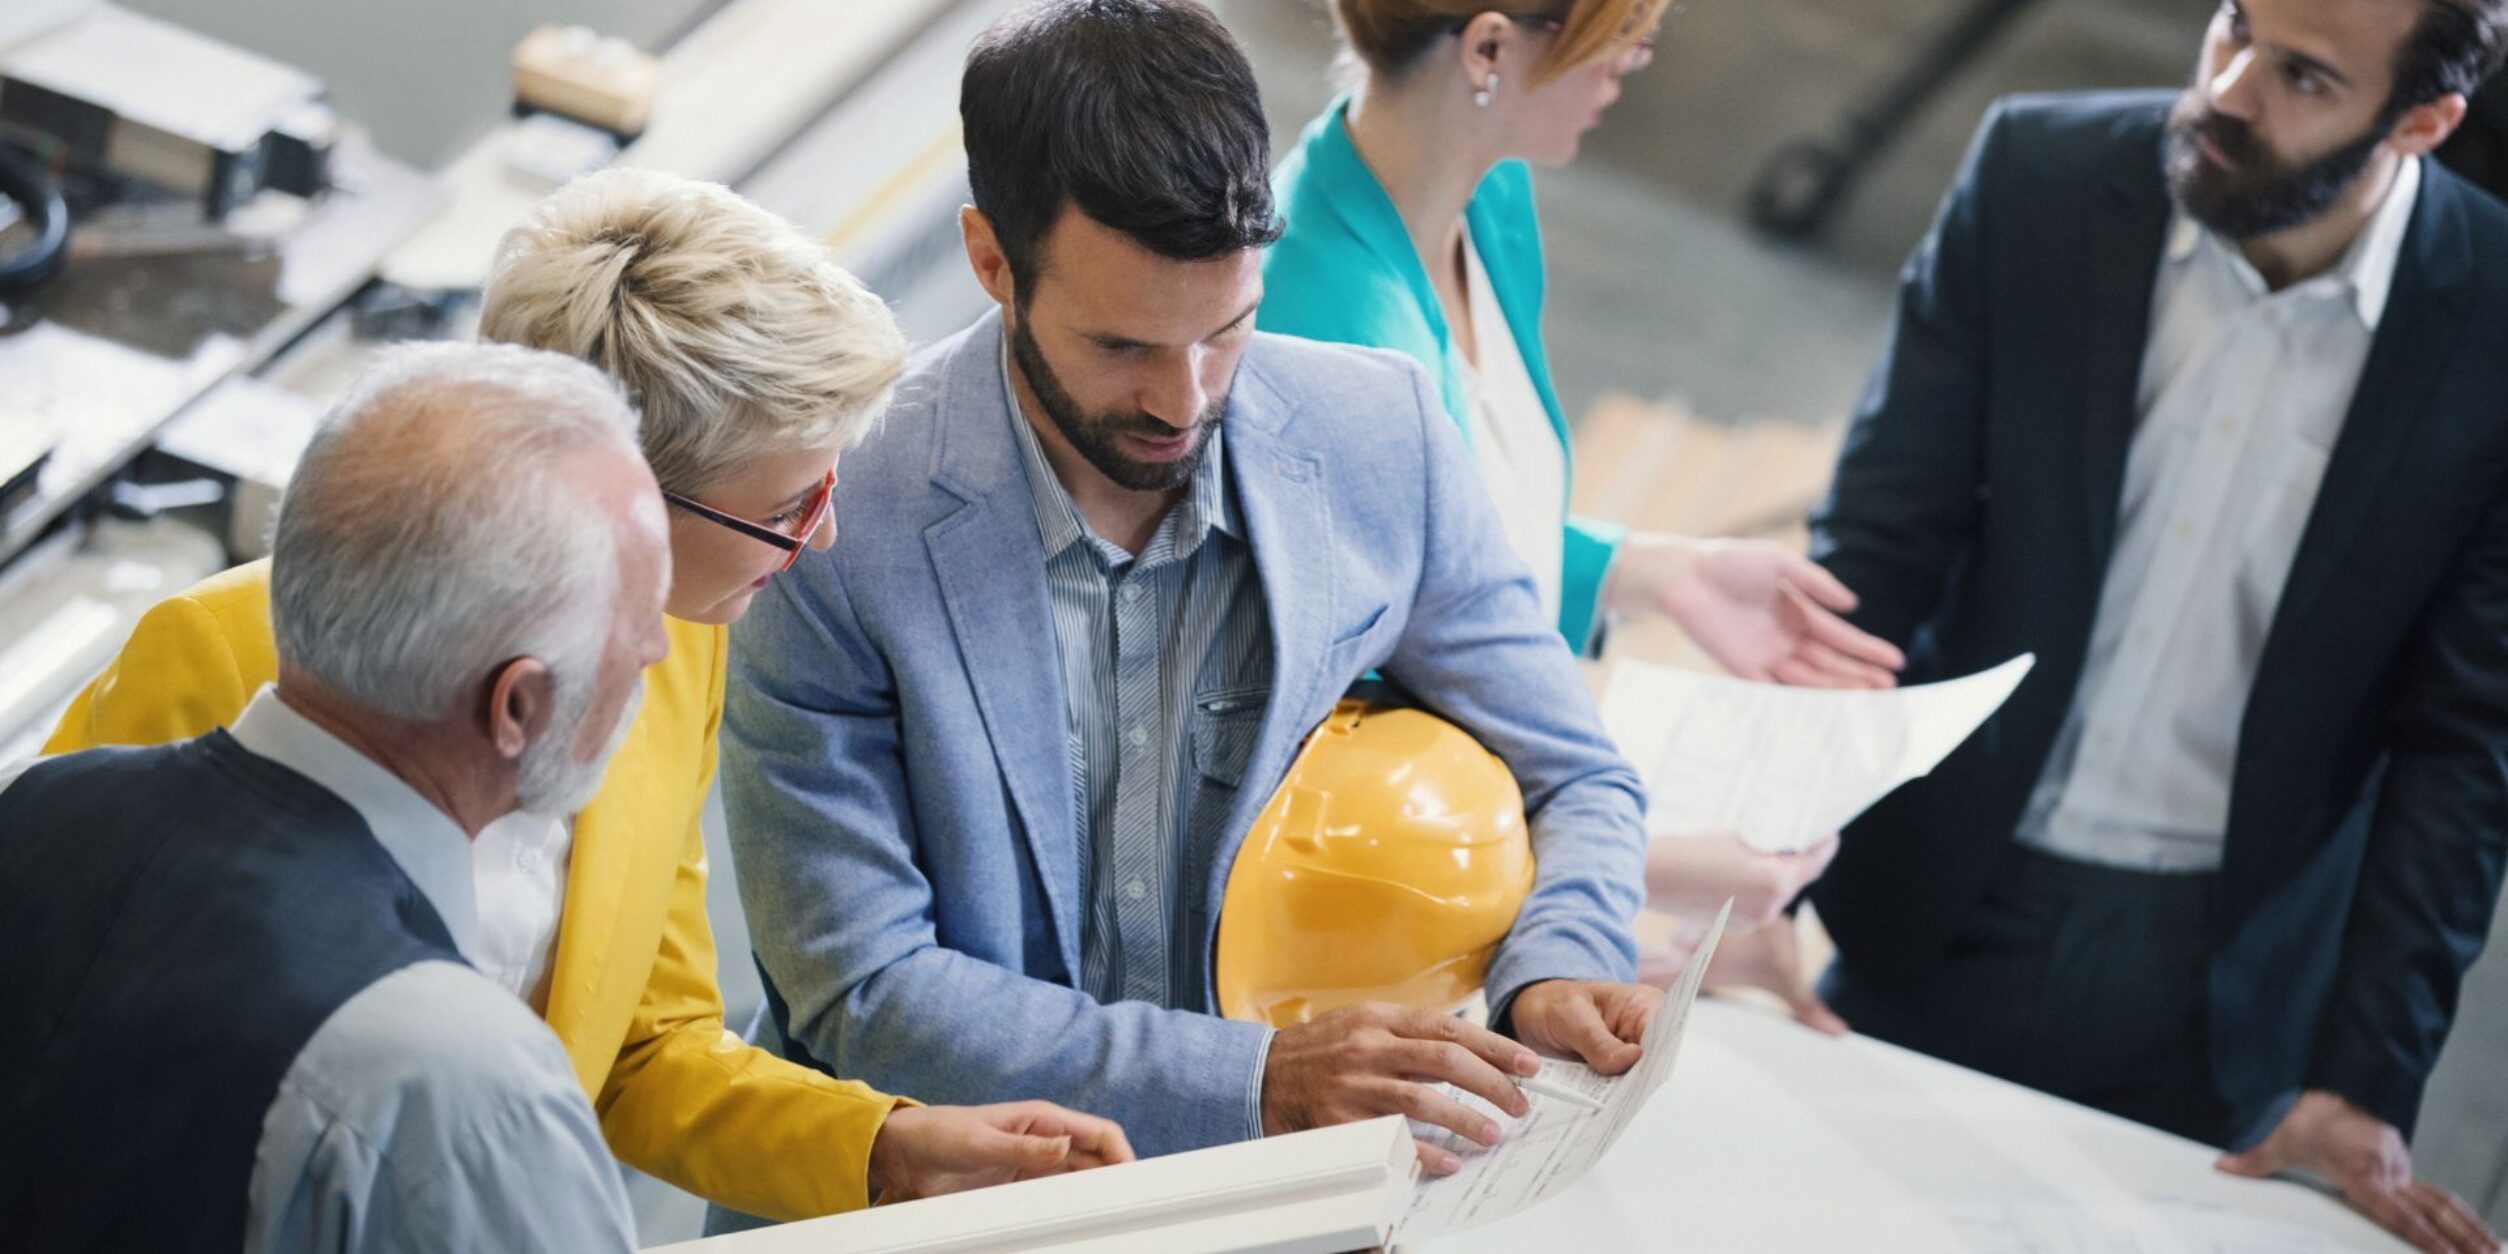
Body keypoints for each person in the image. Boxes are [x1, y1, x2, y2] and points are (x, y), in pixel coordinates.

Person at [42, 170, 1129, 1223]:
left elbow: (642, 1050)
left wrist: (884, 1150)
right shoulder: (210, 658)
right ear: (616, 500)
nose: (823, 537)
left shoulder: (681, 648)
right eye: (790, 505)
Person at [720, 0, 1660, 1185]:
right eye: (1123, 347)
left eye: (1229, 329)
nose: (1185, 397)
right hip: (952, 1190)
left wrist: (1558, 963)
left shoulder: (1380, 438)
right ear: (991, 260)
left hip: (1292, 1186)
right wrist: (1252, 1078)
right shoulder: (838, 516)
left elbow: (1576, 772)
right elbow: (861, 989)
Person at [1806, 1, 2508, 1249]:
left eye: (2300, 76)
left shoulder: (2494, 323)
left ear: (2424, 121)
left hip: (2222, 977)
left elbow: (2465, 743)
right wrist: (1758, 880)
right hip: (1940, 884)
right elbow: (1875, 551)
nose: (2229, 89)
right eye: (2233, 26)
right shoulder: (2037, 176)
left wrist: (2364, 1081)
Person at [1259, 0, 1889, 1033]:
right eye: (1624, 36)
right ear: (1491, 47)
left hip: (1491, 818)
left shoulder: (1486, 196)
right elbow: (1330, 766)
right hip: (1374, 920)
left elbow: (1440, 554)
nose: (1637, 62)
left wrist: (1652, 571)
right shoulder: (1324, 336)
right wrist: (1635, 867)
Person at [1, 344, 658, 1252]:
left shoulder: (32, 807)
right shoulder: (457, 1087)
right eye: (639, 621)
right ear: (517, 706)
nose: (659, 650)